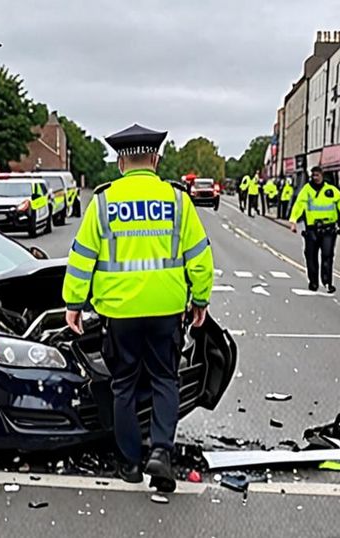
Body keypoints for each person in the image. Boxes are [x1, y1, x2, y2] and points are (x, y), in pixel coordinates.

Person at [62, 124, 213, 493]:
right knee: (165, 379)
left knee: (123, 386)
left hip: (120, 312)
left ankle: (129, 463)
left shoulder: (103, 201)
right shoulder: (177, 200)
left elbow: (82, 258)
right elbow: (199, 255)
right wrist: (200, 299)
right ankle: (160, 450)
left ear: (120, 163)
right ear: (156, 160)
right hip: (166, 310)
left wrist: (73, 304)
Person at [289, 166, 340, 293]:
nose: (315, 178)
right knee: (311, 257)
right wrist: (293, 220)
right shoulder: (307, 190)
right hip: (312, 229)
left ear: (322, 175)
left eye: (317, 175)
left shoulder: (331, 190)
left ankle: (327, 282)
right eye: (313, 175)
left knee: (327, 256)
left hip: (328, 229)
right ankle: (313, 281)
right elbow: (299, 205)